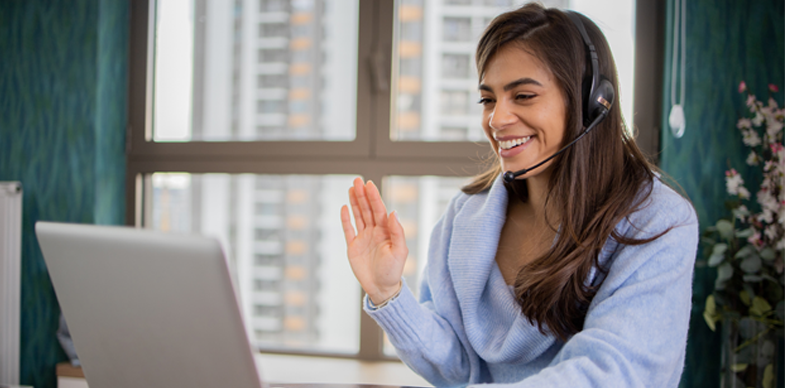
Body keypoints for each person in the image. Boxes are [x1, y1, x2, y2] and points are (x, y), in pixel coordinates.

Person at [340, 3, 698, 387]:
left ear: (594, 102)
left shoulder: (657, 222)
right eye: (488, 99)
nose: (496, 119)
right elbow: (459, 368)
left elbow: (612, 373)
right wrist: (388, 292)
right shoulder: (464, 218)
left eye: (523, 95)